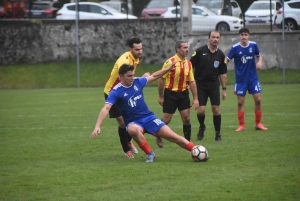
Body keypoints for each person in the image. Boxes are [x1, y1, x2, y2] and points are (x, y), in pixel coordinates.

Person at [91, 63, 199, 163]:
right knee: (132, 129)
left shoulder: (138, 82)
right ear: (121, 76)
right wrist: (97, 126)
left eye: (133, 75)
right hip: (134, 122)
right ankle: (150, 153)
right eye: (129, 76)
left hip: (149, 118)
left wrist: (168, 69)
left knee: (172, 136)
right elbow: (106, 108)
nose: (132, 78)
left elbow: (155, 76)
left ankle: (195, 150)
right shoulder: (116, 91)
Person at [103, 37, 163, 158]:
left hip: (126, 92)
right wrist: (142, 77)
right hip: (112, 92)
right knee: (122, 122)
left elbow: (130, 78)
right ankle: (127, 150)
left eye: (141, 49)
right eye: (137, 49)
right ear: (130, 49)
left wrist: (140, 78)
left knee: (128, 121)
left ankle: (129, 141)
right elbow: (124, 75)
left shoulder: (136, 59)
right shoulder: (124, 61)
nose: (140, 52)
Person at [226, 28, 268, 132]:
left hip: (253, 79)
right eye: (242, 35)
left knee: (258, 100)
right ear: (239, 36)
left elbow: (259, 55)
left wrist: (259, 62)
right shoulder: (235, 48)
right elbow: (227, 59)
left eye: (245, 35)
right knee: (240, 102)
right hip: (241, 80)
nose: (244, 37)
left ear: (248, 36)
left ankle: (258, 124)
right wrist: (223, 71)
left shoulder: (253, 45)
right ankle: (241, 125)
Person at [158, 41, 199, 143]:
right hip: (170, 94)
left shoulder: (188, 64)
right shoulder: (169, 62)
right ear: (178, 49)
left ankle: (188, 142)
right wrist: (161, 96)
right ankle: (158, 134)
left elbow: (192, 81)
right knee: (166, 120)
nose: (187, 49)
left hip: (183, 94)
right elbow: (161, 79)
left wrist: (195, 98)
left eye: (187, 47)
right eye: (184, 47)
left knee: (186, 119)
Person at [190, 30, 227, 141]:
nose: (215, 39)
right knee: (200, 110)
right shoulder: (200, 51)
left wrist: (224, 89)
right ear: (209, 38)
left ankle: (218, 134)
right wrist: (189, 82)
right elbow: (190, 66)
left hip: (213, 85)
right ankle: (202, 126)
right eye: (213, 37)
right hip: (200, 85)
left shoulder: (220, 54)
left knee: (216, 109)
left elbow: (222, 73)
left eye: (217, 37)